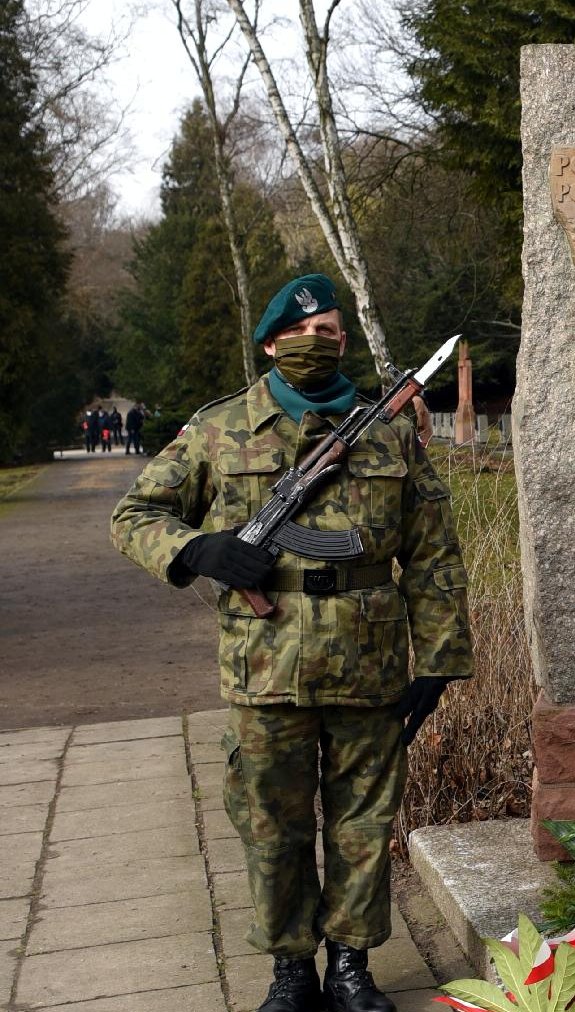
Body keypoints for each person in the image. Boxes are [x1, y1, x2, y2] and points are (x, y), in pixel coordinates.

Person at [111, 274, 473, 1012]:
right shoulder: (220, 427)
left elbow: (433, 553)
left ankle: (351, 967)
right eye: (301, 333)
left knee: (363, 824)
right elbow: (134, 514)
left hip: (370, 665)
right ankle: (289, 970)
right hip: (265, 664)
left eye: (330, 331)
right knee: (270, 825)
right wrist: (199, 550)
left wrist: (438, 663)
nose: (317, 340)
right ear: (271, 344)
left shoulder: (391, 430)